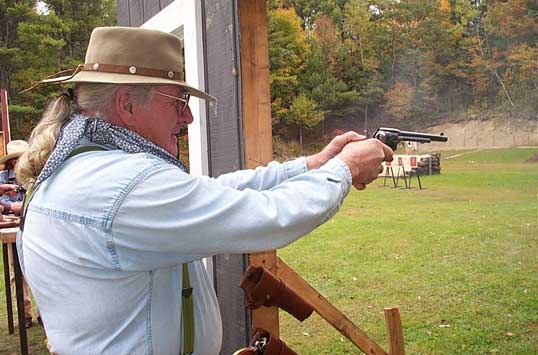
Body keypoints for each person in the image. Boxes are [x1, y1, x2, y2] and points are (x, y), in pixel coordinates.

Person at [17, 27, 393, 354]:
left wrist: (312, 165)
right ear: (127, 104)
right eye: (178, 102)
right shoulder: (126, 184)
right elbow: (269, 217)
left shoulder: (86, 168)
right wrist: (348, 167)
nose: (188, 117)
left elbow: (208, 193)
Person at [0, 140, 38, 328]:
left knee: (39, 269)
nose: (17, 162)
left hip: (34, 228)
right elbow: (6, 204)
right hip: (12, 228)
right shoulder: (2, 177)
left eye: (20, 158)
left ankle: (43, 314)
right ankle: (25, 314)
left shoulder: (34, 176)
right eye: (14, 159)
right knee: (16, 272)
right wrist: (10, 206)